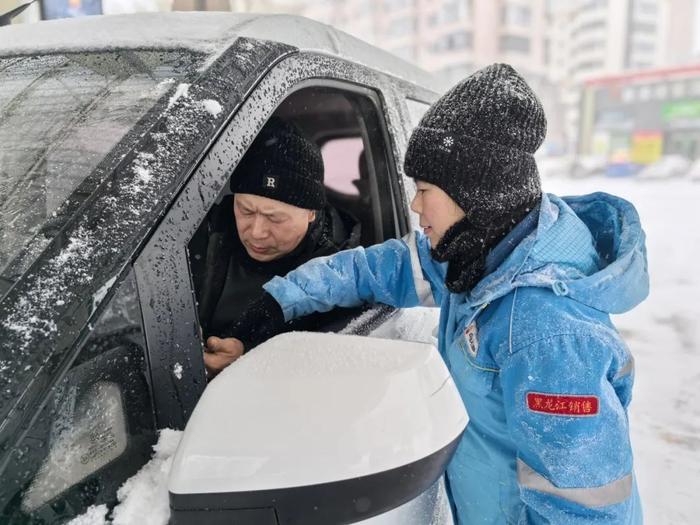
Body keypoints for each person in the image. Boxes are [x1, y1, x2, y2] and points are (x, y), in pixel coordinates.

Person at [207, 64, 648, 524]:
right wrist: (275, 304)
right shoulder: (478, 255)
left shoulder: (546, 332)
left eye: (424, 190)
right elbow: (373, 268)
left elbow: (586, 510)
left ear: (476, 194)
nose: (414, 205)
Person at [193, 117, 360, 375]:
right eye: (245, 210)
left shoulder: (341, 273)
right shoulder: (198, 234)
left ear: (311, 213)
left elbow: (324, 371)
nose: (257, 232)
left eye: (275, 218)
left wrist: (247, 360)